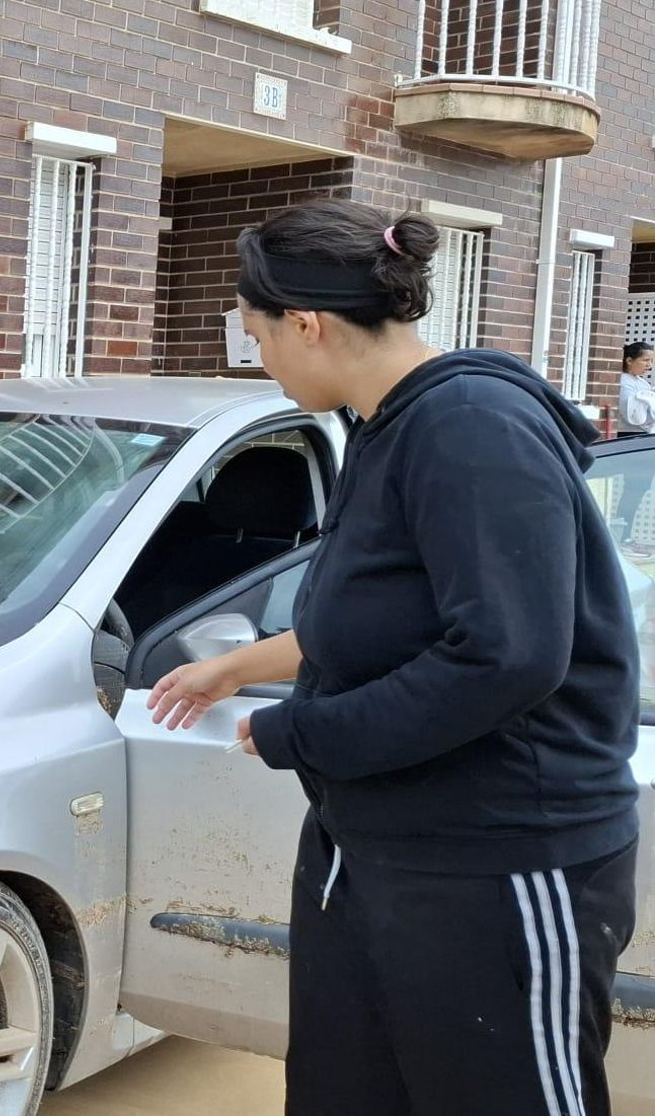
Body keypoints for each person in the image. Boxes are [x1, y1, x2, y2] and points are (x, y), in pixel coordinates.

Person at [147, 200, 640, 1115]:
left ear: (307, 323)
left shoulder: (472, 427)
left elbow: (508, 655)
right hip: (370, 849)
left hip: (494, 863)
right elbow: (387, 618)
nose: (257, 358)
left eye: (257, 336)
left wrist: (305, 729)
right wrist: (243, 664)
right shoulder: (386, 423)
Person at [613, 343, 655, 550]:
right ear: (629, 360)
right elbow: (634, 415)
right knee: (633, 488)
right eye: (645, 360)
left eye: (651, 361)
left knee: (638, 488)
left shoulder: (643, 384)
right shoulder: (624, 382)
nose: (649, 365)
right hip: (629, 436)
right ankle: (621, 536)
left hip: (644, 436)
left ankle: (625, 535)